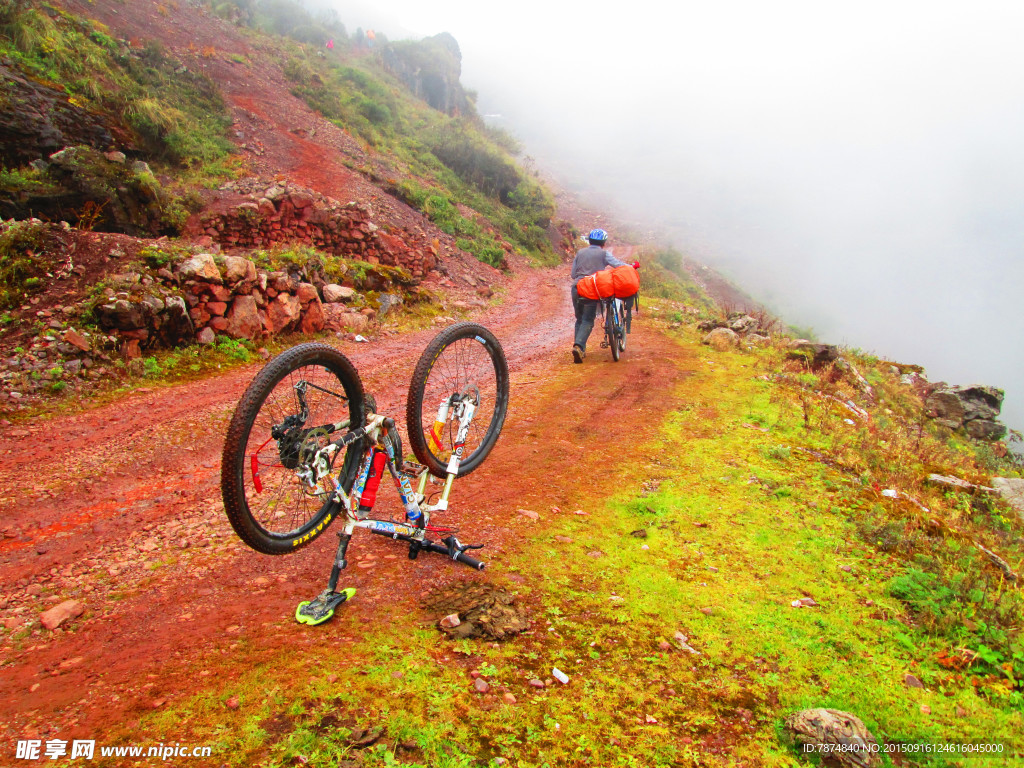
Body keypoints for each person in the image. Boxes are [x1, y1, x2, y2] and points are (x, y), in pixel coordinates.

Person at [570, 228, 629, 363]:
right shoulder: (603, 253)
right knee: (588, 319)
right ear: (603, 242)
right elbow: (618, 265)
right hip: (591, 288)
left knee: (579, 319)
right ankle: (578, 346)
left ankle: (580, 348)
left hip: (576, 287)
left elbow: (573, 274)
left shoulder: (580, 253)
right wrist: (631, 267)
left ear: (590, 241)